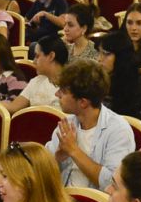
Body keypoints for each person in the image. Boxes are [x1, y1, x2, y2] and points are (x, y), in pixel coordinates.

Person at [47, 59, 135, 191]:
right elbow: (42, 174)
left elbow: (112, 184)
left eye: (63, 91)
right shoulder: (67, 124)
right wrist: (57, 158)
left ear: (83, 102)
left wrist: (73, 150)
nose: (57, 94)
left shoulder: (118, 130)